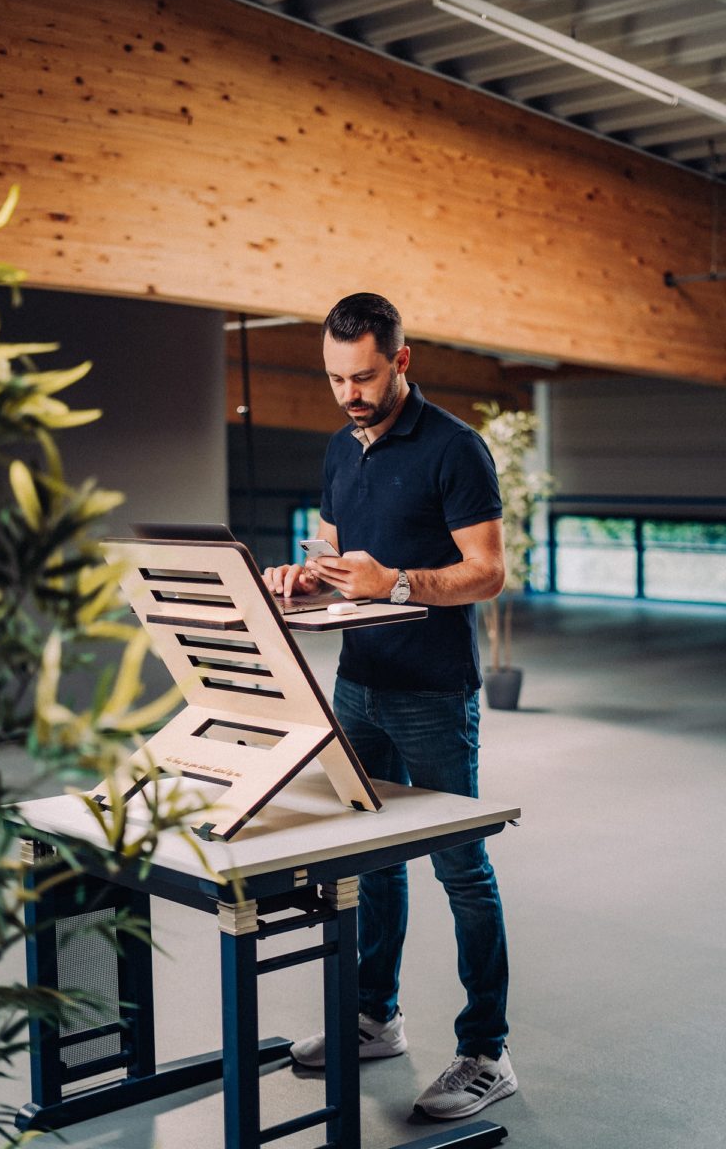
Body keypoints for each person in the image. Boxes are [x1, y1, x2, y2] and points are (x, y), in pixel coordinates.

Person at [263, 292, 516, 1121]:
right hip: (359, 684)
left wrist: (400, 582)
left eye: (364, 376)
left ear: (400, 361)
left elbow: (487, 571)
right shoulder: (341, 447)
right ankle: (377, 1016)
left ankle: (486, 1051)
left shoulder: (455, 448)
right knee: (372, 859)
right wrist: (308, 577)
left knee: (462, 870)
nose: (350, 394)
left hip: (433, 693)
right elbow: (337, 551)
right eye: (336, 378)